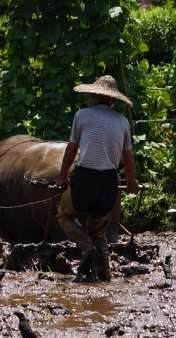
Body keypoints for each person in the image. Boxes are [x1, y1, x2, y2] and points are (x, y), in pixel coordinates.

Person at [56, 75, 138, 282]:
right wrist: (131, 181)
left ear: (93, 95)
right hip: (109, 183)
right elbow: (127, 155)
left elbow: (72, 147)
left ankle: (85, 247)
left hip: (85, 179)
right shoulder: (122, 121)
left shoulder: (82, 115)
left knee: (64, 215)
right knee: (98, 231)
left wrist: (63, 175)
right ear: (113, 100)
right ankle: (105, 276)